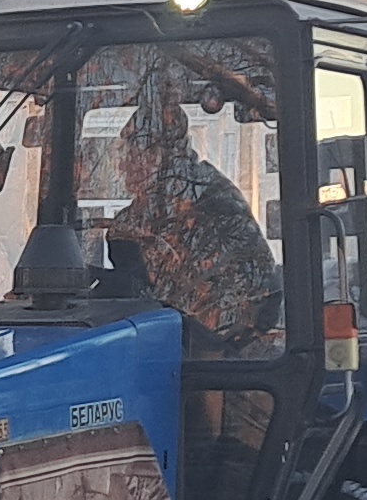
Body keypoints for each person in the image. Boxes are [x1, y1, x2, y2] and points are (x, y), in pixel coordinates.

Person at [103, 83, 278, 350]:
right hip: (162, 342)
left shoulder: (215, 206)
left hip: (217, 355)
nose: (122, 166)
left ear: (160, 155)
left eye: (131, 154)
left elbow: (238, 301)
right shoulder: (136, 219)